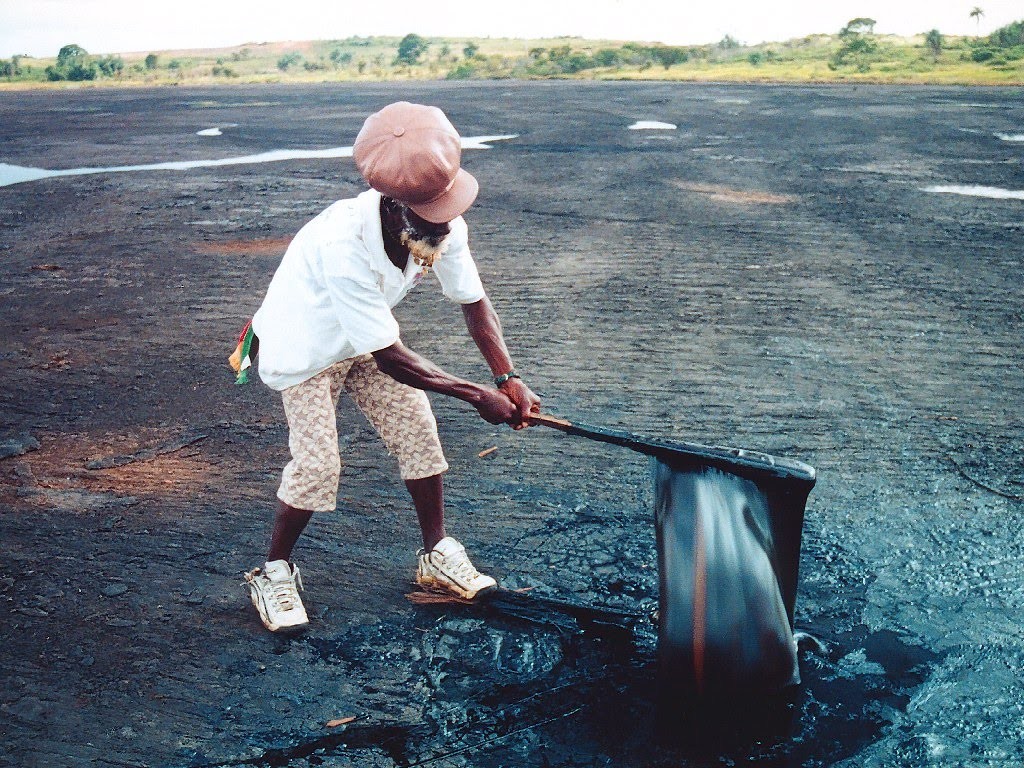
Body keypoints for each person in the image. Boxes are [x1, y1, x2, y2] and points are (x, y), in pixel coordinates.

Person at [238, 101, 540, 632]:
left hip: (366, 339)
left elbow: (474, 303)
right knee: (317, 466)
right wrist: (477, 397)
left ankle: (435, 554)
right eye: (433, 216)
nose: (445, 227)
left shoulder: (440, 222)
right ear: (396, 205)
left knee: (420, 433)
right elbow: (393, 358)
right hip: (306, 348)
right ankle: (274, 571)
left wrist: (507, 377)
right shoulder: (342, 245)